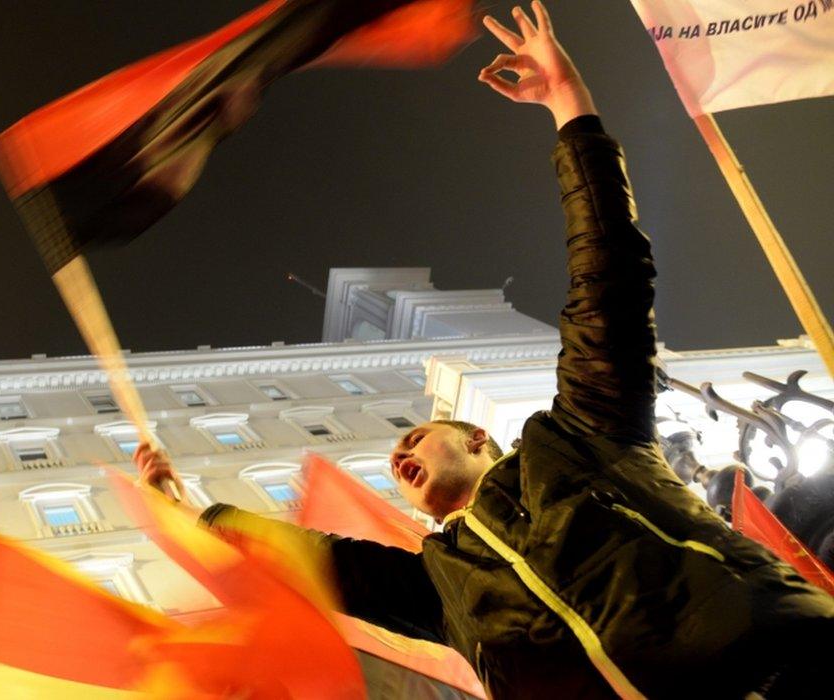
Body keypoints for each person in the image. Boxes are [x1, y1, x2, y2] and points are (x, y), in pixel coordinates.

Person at [136, 3, 834, 697]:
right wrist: (188, 511)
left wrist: (571, 109)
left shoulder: (582, 437)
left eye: (413, 436)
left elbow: (607, 279)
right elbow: (307, 560)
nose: (397, 456)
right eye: (397, 454)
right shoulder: (439, 588)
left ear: (476, 436)